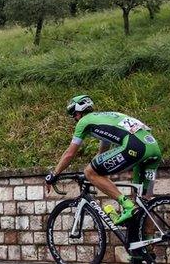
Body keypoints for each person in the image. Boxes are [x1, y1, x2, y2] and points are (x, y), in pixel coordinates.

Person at [45, 95, 162, 225]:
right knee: (144, 204)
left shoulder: (84, 122)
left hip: (135, 147)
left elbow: (69, 154)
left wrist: (54, 174)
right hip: (153, 148)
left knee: (90, 172)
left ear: (79, 111)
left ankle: (127, 205)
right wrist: (93, 172)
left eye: (74, 114)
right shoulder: (106, 117)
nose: (74, 118)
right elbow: (102, 154)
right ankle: (147, 242)